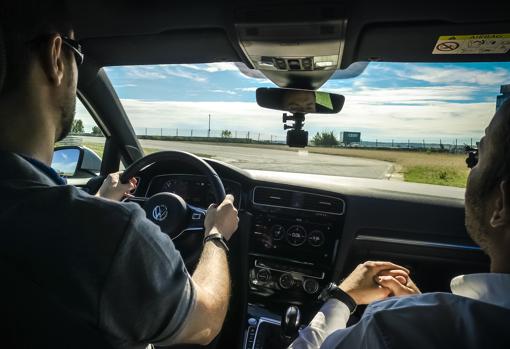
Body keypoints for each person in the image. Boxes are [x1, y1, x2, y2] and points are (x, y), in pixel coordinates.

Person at [0, 2, 238, 348]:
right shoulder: (107, 234)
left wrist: (96, 203)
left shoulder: (77, 224)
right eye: (76, 54)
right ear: (55, 57)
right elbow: (206, 319)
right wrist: (216, 234)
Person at [289, 99, 510, 349]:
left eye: (476, 158)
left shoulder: (392, 329)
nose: (471, 168)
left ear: (502, 203)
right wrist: (424, 311)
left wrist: (342, 298)